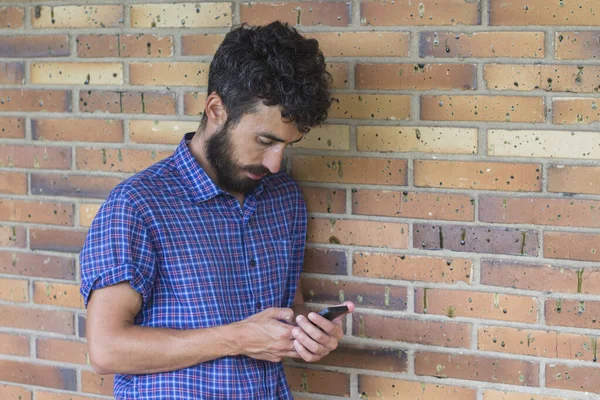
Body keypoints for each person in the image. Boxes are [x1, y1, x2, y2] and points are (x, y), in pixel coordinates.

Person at [79, 21, 354, 399]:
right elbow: (106, 349)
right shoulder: (138, 205)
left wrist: (308, 335)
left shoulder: (284, 199)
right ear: (216, 109)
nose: (275, 163)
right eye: (264, 141)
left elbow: (288, 309)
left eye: (287, 146)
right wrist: (236, 338)